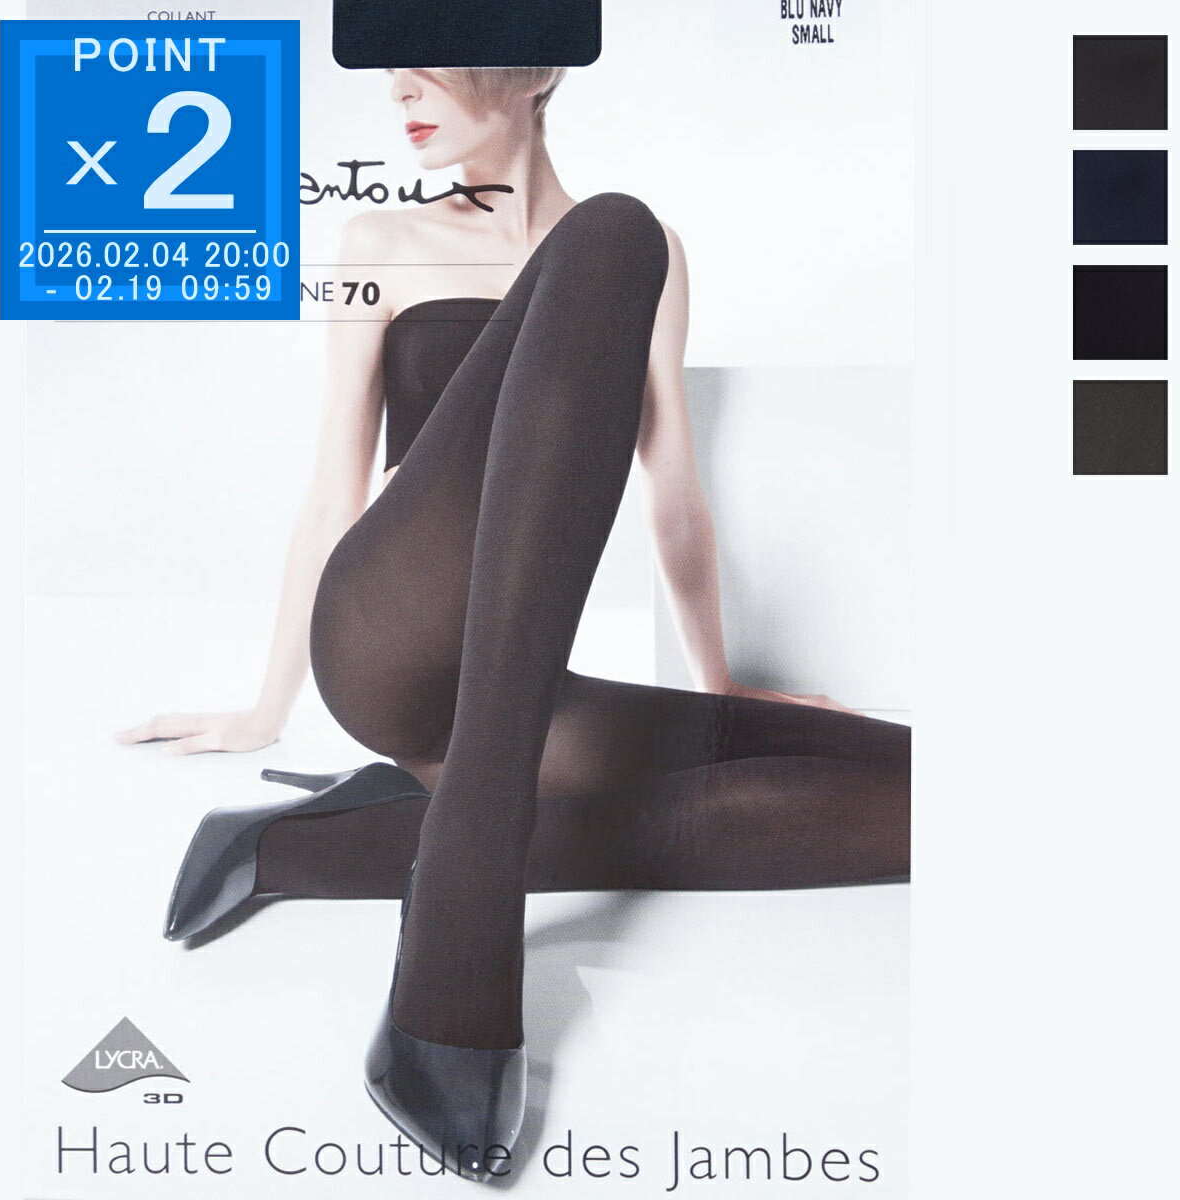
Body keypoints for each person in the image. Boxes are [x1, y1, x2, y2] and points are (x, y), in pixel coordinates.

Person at [121, 67, 911, 1183]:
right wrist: (266, 706)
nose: (402, 91)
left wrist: (722, 684)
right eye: (392, 68)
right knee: (610, 231)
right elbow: (333, 491)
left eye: (435, 55)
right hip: (388, 641)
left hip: (517, 680)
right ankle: (463, 911)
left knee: (915, 786)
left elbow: (674, 493)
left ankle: (298, 847)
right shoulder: (381, 242)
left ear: (536, 67)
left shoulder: (657, 261)